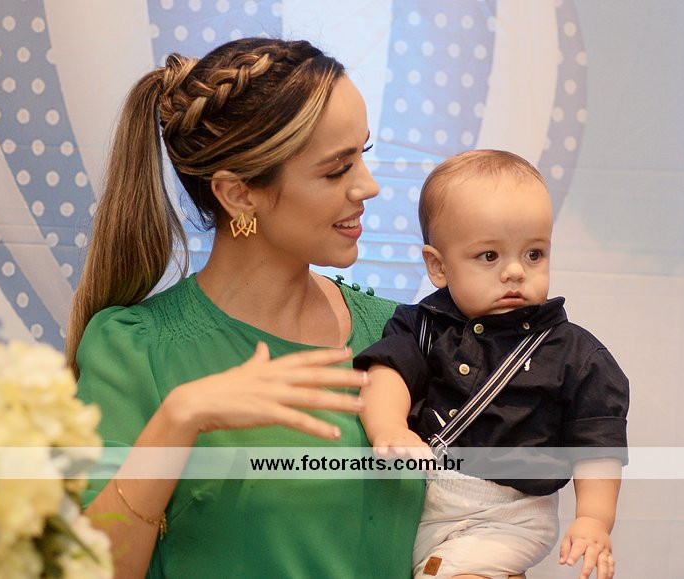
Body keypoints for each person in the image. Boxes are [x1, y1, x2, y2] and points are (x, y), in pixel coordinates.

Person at [65, 37, 424, 578]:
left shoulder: (400, 335)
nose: (368, 187)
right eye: (336, 170)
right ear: (238, 194)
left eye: (363, 155)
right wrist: (178, 420)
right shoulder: (135, 350)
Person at [355, 150, 629, 579]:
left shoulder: (573, 353)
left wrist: (594, 519)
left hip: (510, 513)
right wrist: (388, 427)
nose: (516, 271)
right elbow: (387, 373)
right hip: (424, 503)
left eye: (534, 254)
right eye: (489, 256)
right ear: (438, 266)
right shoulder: (422, 326)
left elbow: (597, 443)